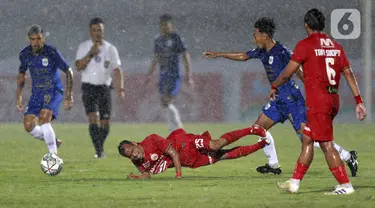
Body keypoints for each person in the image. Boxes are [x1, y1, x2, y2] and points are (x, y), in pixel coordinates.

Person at [202, 17, 358, 176]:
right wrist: (219, 54)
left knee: (309, 138)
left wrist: (314, 89)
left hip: (292, 100)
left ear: (265, 36)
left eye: (255, 35)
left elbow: (298, 70)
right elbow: (243, 56)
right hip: (278, 100)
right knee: (258, 129)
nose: (253, 38)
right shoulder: (262, 52)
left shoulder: (282, 51)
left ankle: (347, 155)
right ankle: (273, 164)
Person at [270, 9, 366, 195]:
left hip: (318, 102)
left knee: (326, 144)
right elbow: (348, 73)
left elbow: (288, 72)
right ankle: (295, 182)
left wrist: (274, 85)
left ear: (306, 25)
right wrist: (358, 101)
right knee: (307, 139)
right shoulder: (335, 46)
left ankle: (346, 186)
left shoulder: (305, 45)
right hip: (332, 99)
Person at [118, 125, 268, 179]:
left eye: (132, 151)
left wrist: (178, 175)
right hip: (190, 161)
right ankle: (261, 145)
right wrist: (138, 177)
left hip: (185, 143)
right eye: (129, 155)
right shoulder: (136, 161)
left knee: (215, 145)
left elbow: (174, 154)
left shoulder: (151, 140)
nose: (133, 155)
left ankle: (251, 129)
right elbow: (146, 174)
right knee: (224, 156)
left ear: (134, 143)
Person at [16, 24, 73, 154]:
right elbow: (22, 75)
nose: (35, 43)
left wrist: (69, 95)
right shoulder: (25, 54)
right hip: (37, 93)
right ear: (29, 39)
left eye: (38, 39)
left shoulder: (51, 52)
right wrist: (18, 95)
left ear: (43, 38)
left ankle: (53, 157)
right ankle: (53, 140)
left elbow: (69, 71)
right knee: (28, 125)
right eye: (32, 39)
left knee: (43, 118)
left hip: (53, 90)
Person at [75, 17, 125, 158]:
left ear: (103, 31)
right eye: (94, 30)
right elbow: (78, 66)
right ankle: (99, 152)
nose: (97, 33)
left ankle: (99, 147)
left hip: (104, 87)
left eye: (100, 30)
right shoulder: (84, 47)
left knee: (105, 121)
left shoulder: (110, 49)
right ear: (90, 32)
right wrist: (91, 53)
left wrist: (121, 89)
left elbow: (117, 70)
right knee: (93, 117)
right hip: (89, 87)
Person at [145, 14, 194, 133]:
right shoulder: (158, 39)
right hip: (163, 74)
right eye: (162, 25)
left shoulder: (176, 38)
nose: (164, 27)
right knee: (164, 102)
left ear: (170, 25)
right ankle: (174, 127)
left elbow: (185, 55)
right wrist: (149, 74)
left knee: (168, 100)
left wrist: (189, 74)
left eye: (166, 25)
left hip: (174, 74)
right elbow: (155, 57)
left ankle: (177, 126)